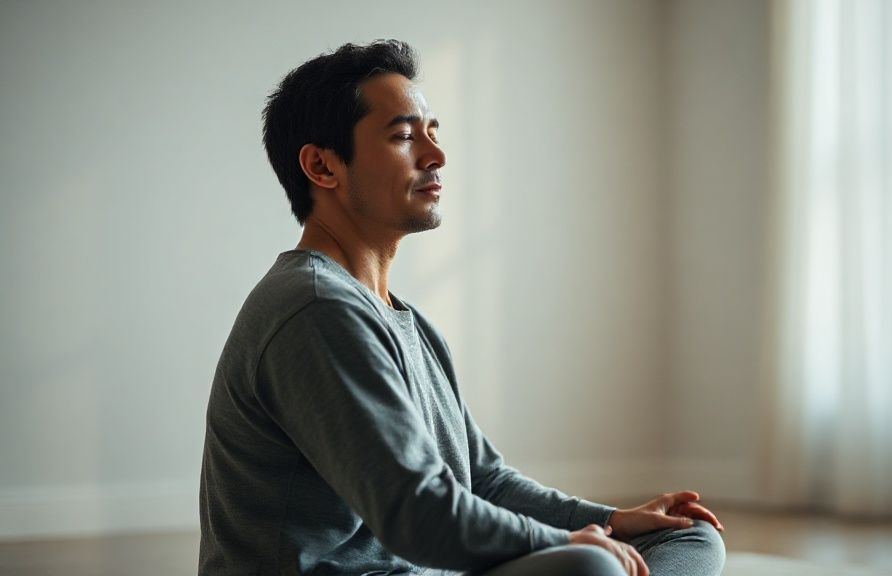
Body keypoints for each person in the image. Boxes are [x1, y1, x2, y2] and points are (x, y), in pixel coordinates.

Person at [199, 39, 727, 576]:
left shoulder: (409, 324)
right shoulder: (314, 310)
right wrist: (574, 541)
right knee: (593, 567)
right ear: (321, 166)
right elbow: (419, 514)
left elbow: (485, 480)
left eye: (433, 133)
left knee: (689, 536)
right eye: (404, 136)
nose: (436, 156)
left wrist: (614, 519)